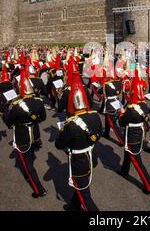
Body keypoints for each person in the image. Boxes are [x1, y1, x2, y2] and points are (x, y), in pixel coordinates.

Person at [55, 68, 102, 211]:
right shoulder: (95, 116)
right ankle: (73, 206)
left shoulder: (70, 125)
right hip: (91, 155)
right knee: (81, 186)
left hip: (78, 161)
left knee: (85, 196)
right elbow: (98, 134)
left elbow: (59, 145)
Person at [4, 66, 47, 198]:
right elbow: (43, 118)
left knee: (26, 164)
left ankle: (38, 189)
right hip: (35, 133)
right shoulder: (39, 102)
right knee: (30, 155)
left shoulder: (17, 106)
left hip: (22, 136)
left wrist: (6, 110)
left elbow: (8, 123)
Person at [117, 64, 150, 195]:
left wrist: (122, 112)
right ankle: (124, 170)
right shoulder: (144, 105)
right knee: (128, 153)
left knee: (137, 160)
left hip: (133, 134)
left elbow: (121, 123)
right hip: (139, 132)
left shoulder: (131, 110)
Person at [98, 53, 124, 146]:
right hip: (116, 101)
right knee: (107, 117)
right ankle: (107, 133)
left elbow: (100, 91)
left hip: (109, 103)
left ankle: (121, 139)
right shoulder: (119, 83)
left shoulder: (107, 84)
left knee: (112, 122)